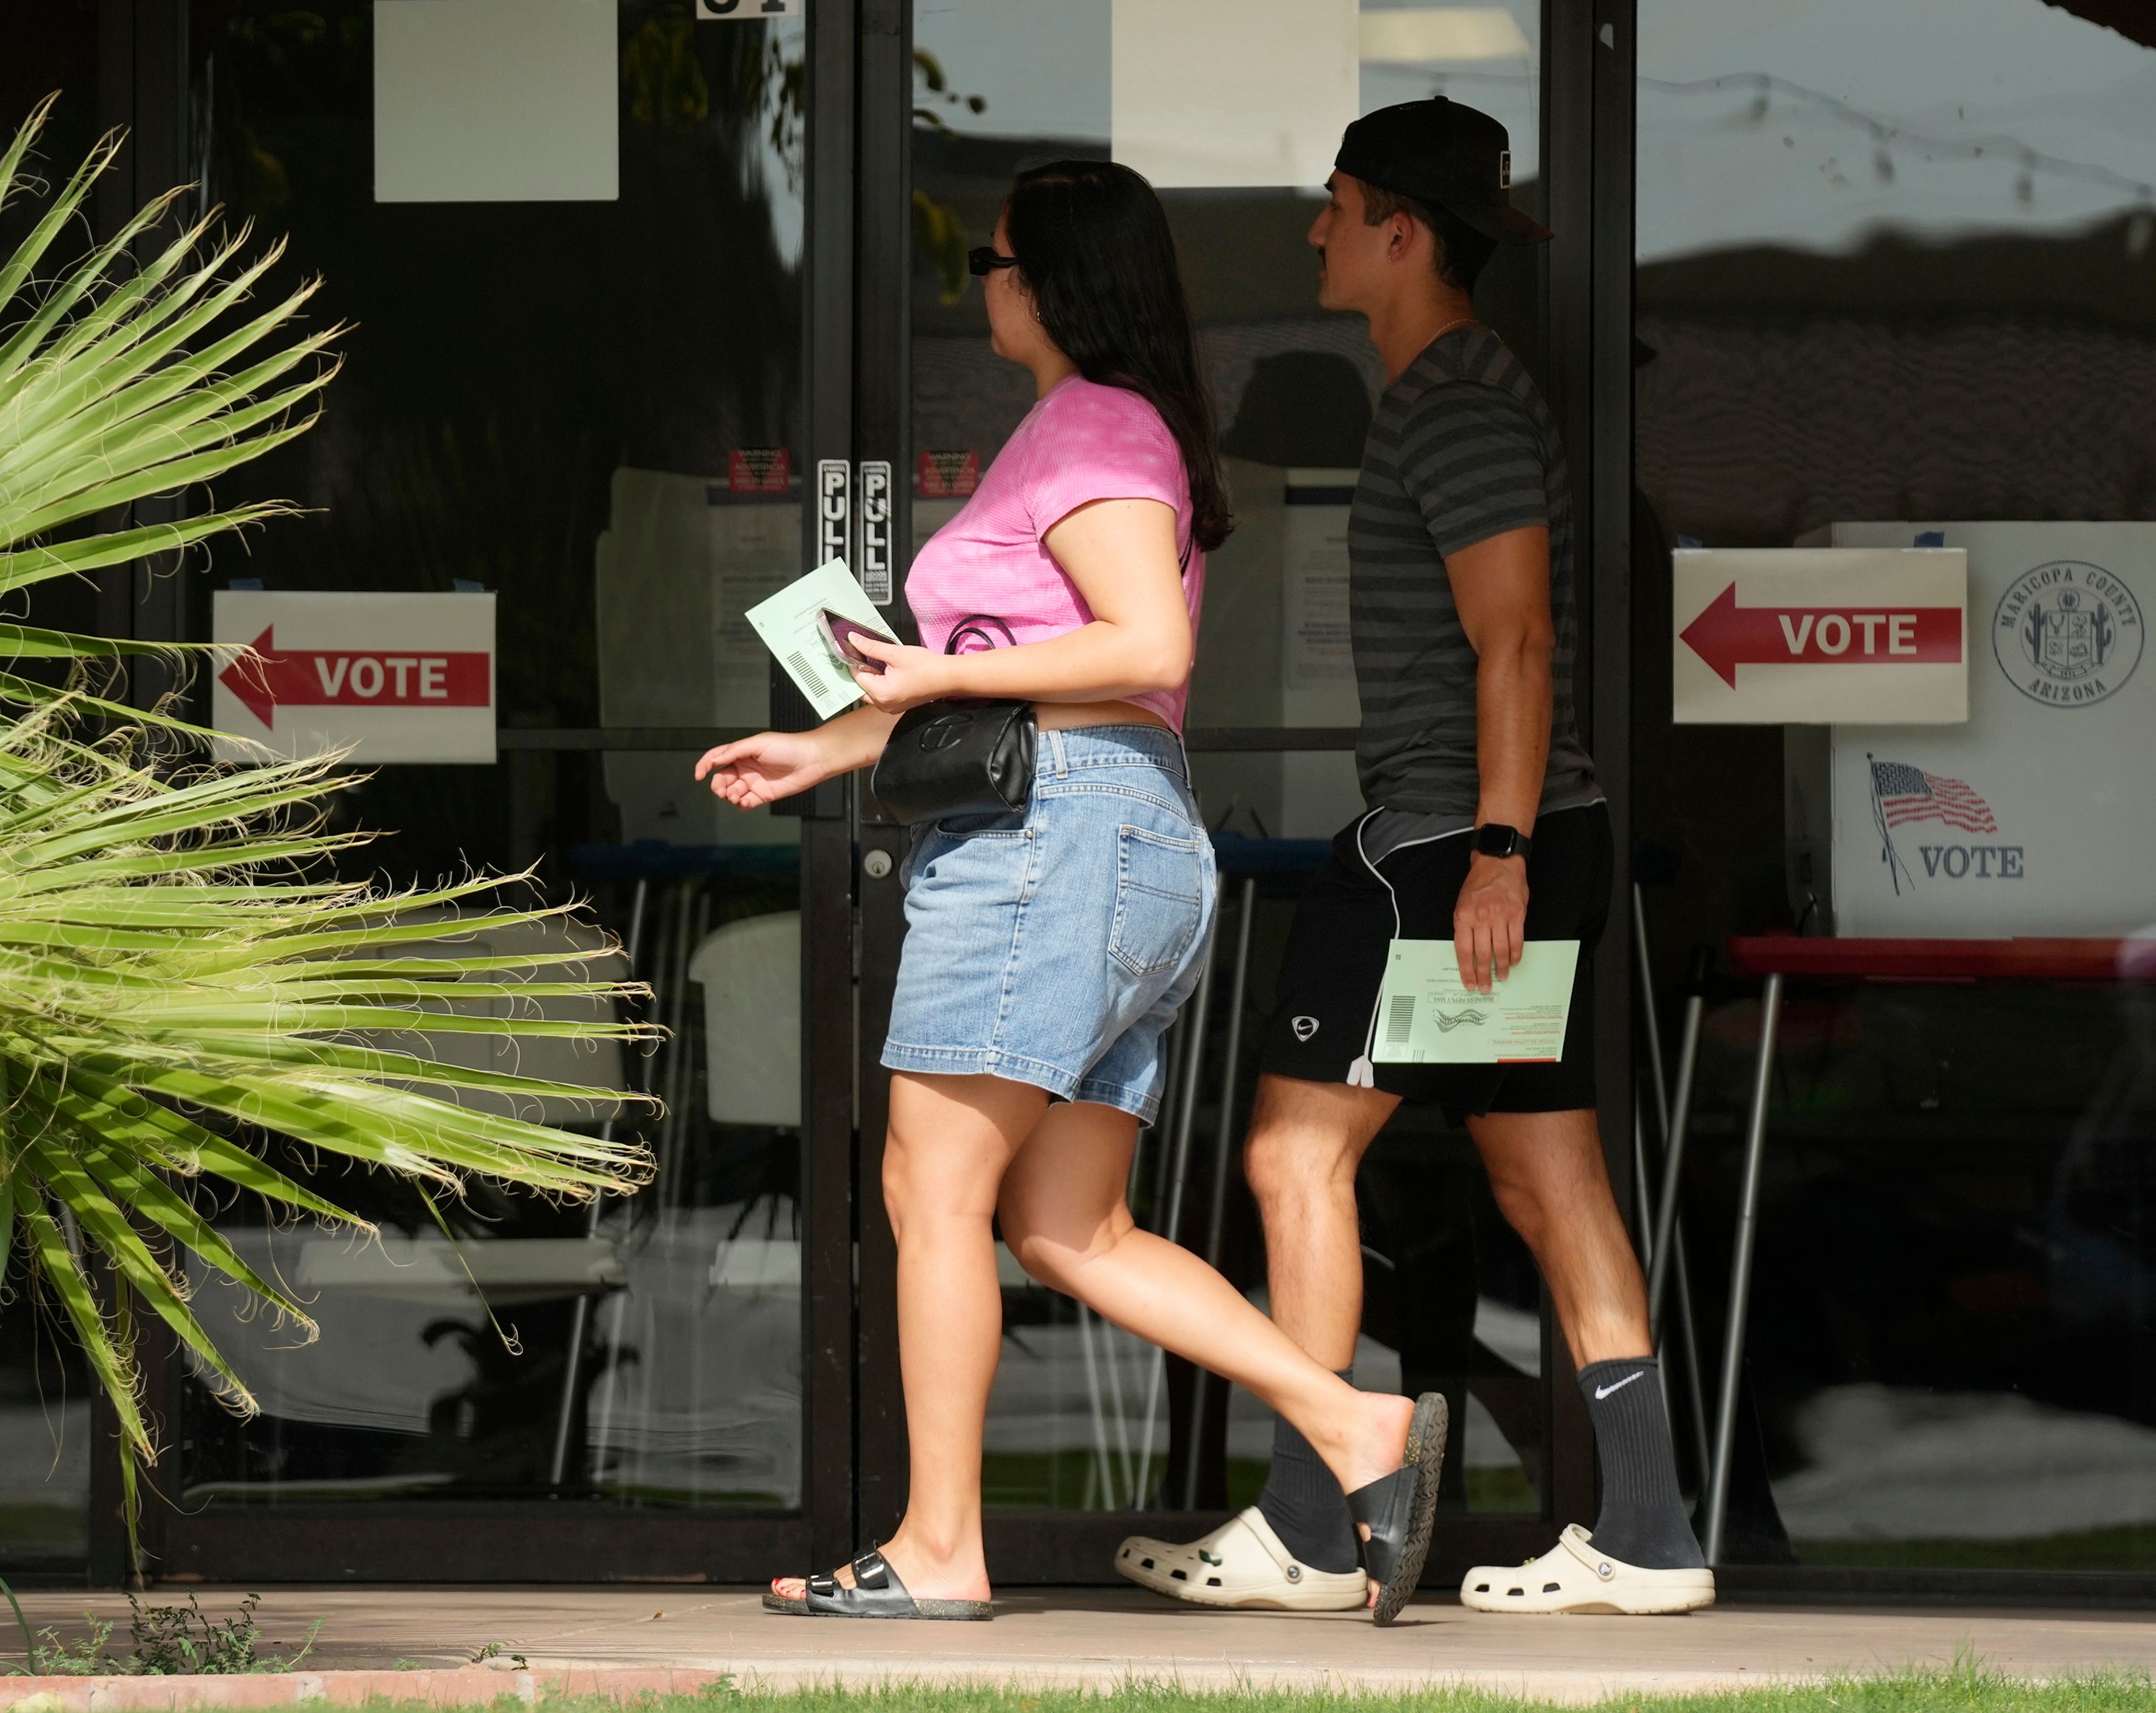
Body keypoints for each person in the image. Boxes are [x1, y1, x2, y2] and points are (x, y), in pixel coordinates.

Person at [698, 160, 1447, 1626]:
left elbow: (1141, 642)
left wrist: (942, 668)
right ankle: (1356, 1422)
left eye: (987, 261)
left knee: (932, 1186)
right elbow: (1011, 678)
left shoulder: (1095, 424)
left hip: (1054, 836)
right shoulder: (1086, 428)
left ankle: (936, 1547)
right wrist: (828, 744)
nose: (977, 284)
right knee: (1068, 1227)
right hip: (1104, 833)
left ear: (1042, 279)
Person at [1114, 98, 1715, 1618]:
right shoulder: (1454, 393)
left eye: (1334, 205)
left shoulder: (1454, 402)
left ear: (1401, 229)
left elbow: (1513, 639)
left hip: (1453, 842)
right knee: (1547, 1171)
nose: (1314, 231)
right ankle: (1646, 1534)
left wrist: (1497, 850)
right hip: (1498, 832)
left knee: (1294, 1153)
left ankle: (1321, 1526)